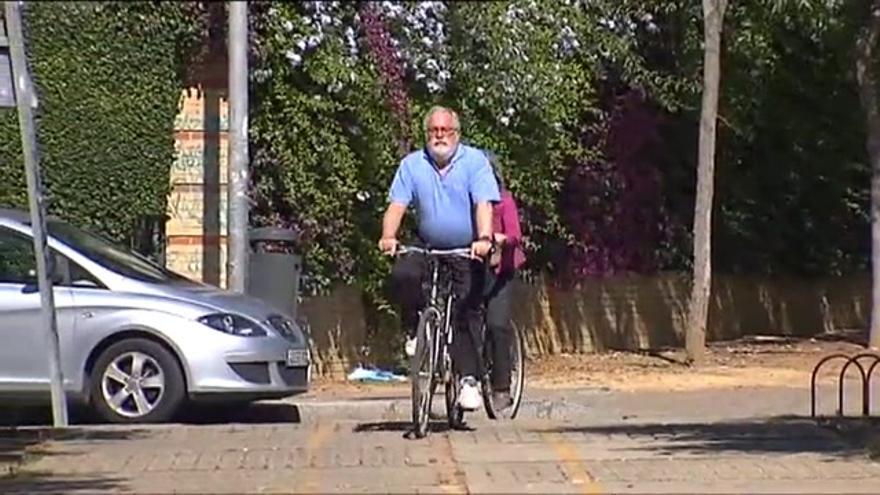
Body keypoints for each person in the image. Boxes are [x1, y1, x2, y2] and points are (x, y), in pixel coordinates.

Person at [379, 105, 499, 411]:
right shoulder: (412, 164)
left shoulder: (475, 162)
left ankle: (468, 380)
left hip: (466, 247)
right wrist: (389, 236)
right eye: (434, 130)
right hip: (428, 244)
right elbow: (397, 205)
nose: (440, 136)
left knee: (465, 310)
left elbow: (483, 204)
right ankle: (415, 329)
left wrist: (484, 239)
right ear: (426, 134)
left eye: (446, 130)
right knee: (403, 275)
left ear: (456, 134)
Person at [482, 150, 526, 410]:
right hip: (476, 270)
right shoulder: (469, 203)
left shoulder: (504, 201)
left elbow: (515, 235)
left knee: (498, 325)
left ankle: (501, 387)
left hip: (502, 271)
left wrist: (500, 239)